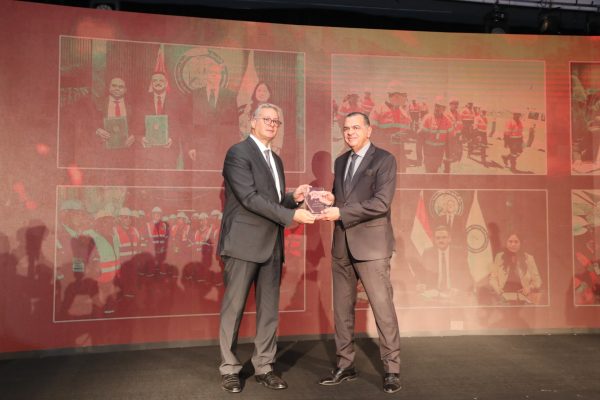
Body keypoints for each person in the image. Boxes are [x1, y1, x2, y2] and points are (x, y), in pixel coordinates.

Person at [217, 103, 315, 393]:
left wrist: (293, 198)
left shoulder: (276, 160)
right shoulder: (238, 153)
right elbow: (249, 198)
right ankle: (230, 369)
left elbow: (271, 200)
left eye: (276, 121)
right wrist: (291, 215)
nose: (272, 124)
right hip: (243, 243)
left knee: (269, 311)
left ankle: (264, 366)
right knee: (234, 308)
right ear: (252, 122)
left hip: (271, 244)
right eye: (267, 119)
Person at [318, 111, 402, 394]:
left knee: (382, 309)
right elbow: (343, 197)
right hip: (342, 244)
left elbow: (381, 203)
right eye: (346, 128)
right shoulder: (341, 161)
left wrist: (341, 211)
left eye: (356, 127)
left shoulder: (385, 160)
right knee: (342, 310)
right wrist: (332, 198)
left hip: (372, 246)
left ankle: (391, 370)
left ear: (369, 130)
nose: (350, 132)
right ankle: (346, 365)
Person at [188, 61, 238, 170]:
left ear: (220, 76)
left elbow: (234, 125)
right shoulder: (195, 94)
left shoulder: (230, 95)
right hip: (202, 147)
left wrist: (234, 149)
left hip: (223, 147)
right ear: (205, 76)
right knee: (204, 176)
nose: (214, 75)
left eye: (217, 73)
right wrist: (191, 146)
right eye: (211, 72)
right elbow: (190, 122)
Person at [93, 77, 136, 168]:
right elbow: (91, 122)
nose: (117, 88)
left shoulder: (132, 105)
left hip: (126, 148)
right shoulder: (99, 103)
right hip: (105, 149)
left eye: (120, 87)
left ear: (125, 90)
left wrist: (134, 135)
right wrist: (97, 130)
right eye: (114, 86)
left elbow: (137, 124)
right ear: (109, 88)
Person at [489, 232, 542, 304]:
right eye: (510, 241)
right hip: (504, 296)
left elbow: (538, 281)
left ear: (521, 243)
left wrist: (529, 288)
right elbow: (492, 278)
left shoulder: (529, 258)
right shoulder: (499, 257)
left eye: (516, 242)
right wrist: (498, 290)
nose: (513, 244)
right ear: (506, 243)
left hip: (523, 297)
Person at [369, 82, 411, 171]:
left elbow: (407, 132)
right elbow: (371, 134)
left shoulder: (403, 112)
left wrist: (406, 135)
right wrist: (389, 137)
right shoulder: (378, 110)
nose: (405, 99)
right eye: (404, 96)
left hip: (399, 153)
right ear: (396, 96)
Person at [420, 225, 471, 295]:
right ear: (434, 240)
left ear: (449, 239)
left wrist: (458, 290)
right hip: (433, 294)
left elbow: (467, 277)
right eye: (438, 238)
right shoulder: (428, 253)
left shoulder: (459, 254)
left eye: (444, 237)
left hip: (454, 294)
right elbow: (421, 274)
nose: (441, 240)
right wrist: (421, 284)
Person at [239, 81, 285, 155]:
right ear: (255, 93)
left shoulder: (277, 110)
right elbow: (242, 128)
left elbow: (279, 133)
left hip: (269, 148)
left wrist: (275, 149)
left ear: (269, 94)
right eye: (259, 90)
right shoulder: (249, 108)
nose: (261, 93)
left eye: (264, 91)